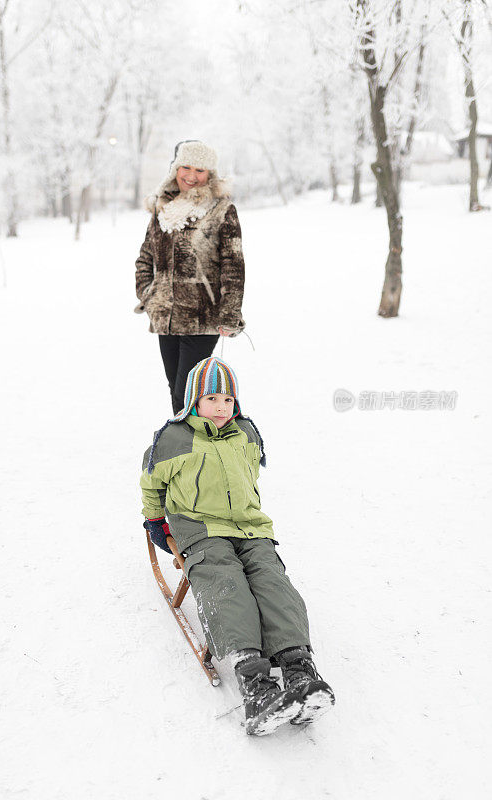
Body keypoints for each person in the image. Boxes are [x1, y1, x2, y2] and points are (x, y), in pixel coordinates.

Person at [140, 357, 335, 735]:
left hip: (249, 526)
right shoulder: (173, 439)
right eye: (211, 398)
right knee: (226, 584)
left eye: (228, 400)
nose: (220, 408)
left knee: (272, 581)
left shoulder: (246, 432)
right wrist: (155, 521)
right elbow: (152, 483)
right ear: (193, 400)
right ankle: (255, 684)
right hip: (200, 530)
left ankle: (299, 668)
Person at [134, 140, 246, 415]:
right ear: (175, 169)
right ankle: (187, 450)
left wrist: (229, 314)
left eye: (200, 169)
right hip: (165, 317)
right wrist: (147, 295)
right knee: (176, 389)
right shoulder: (163, 207)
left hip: (203, 318)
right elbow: (145, 257)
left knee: (189, 393)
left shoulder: (221, 209)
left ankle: (194, 450)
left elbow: (233, 265)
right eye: (185, 166)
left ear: (210, 175)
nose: (191, 175)